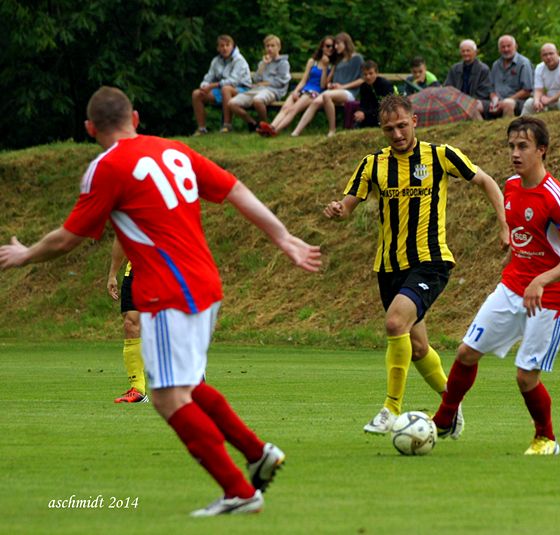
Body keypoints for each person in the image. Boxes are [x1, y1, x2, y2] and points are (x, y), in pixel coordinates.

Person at [0, 86, 322, 515]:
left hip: (169, 291)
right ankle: (256, 452)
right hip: (203, 283)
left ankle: (239, 492)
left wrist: (24, 255)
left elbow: (66, 239)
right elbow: (235, 189)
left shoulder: (106, 167)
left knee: (168, 397)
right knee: (188, 385)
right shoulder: (175, 151)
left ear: (90, 128)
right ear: (135, 118)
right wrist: (282, 237)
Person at [324, 94, 508, 435]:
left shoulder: (439, 155)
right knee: (418, 346)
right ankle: (450, 409)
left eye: (402, 126)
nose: (396, 134)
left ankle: (390, 409)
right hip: (389, 267)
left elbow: (486, 181)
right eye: (388, 129)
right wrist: (338, 209)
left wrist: (503, 223)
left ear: (415, 122)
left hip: (430, 261)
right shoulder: (372, 165)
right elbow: (348, 207)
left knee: (395, 323)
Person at [432, 116, 560, 456]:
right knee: (466, 352)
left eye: (523, 147)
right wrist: (511, 256)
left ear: (541, 150)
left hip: (551, 297)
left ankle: (546, 438)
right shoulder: (512, 187)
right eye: (511, 146)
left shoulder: (555, 198)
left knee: (525, 377)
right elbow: (522, 237)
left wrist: (541, 279)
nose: (515, 153)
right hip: (513, 287)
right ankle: (443, 420)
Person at [291, 32, 364, 137]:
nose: (335, 47)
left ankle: (332, 130)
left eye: (338, 44)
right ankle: (296, 132)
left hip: (349, 93)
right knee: (315, 102)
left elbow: (362, 79)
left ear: (346, 43)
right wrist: (330, 84)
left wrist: (343, 86)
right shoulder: (338, 61)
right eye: (335, 44)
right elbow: (329, 81)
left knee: (326, 95)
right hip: (335, 91)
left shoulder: (357, 58)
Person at [260, 36, 334, 137]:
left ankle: (275, 131)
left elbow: (322, 85)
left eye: (332, 47)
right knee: (285, 107)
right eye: (328, 46)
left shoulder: (332, 65)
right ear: (322, 47)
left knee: (293, 109)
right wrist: (296, 91)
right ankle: (271, 127)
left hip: (314, 92)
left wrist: (325, 67)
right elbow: (304, 80)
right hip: (304, 89)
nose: (330, 48)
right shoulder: (312, 61)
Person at [106, 237, 148, 403]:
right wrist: (112, 275)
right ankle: (138, 389)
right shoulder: (127, 212)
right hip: (135, 271)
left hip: (167, 269)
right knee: (130, 325)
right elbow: (120, 238)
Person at [227, 35, 291, 133]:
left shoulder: (283, 63)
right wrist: (263, 65)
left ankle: (264, 126)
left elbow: (280, 82)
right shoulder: (263, 62)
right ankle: (252, 123)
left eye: (272, 46)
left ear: (279, 47)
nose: (269, 48)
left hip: (273, 91)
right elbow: (256, 79)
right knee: (232, 103)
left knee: (258, 101)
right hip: (257, 90)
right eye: (267, 46)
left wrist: (264, 83)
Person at [191, 35, 251, 135]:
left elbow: (233, 81)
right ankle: (201, 129)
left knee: (226, 89)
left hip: (242, 89)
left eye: (227, 45)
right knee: (197, 94)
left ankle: (227, 125)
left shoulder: (239, 60)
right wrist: (204, 86)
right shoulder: (215, 61)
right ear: (218, 48)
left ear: (232, 46)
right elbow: (208, 77)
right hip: (221, 89)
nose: (225, 48)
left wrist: (212, 86)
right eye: (222, 46)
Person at [522, 43, 560, 114]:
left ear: (557, 53)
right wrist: (537, 101)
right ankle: (520, 124)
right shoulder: (539, 68)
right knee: (530, 102)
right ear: (541, 57)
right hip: (553, 99)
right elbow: (538, 90)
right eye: (545, 55)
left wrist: (549, 100)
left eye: (551, 54)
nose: (548, 57)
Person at [488, 35, 534, 118]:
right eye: (503, 47)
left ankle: (506, 128)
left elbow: (527, 90)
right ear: (499, 49)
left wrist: (506, 100)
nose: (506, 49)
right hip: (497, 101)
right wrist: (494, 100)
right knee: (476, 105)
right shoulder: (495, 65)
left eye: (509, 46)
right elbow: (491, 89)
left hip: (519, 102)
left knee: (507, 103)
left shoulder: (524, 63)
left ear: (515, 46)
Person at [444, 39, 493, 116]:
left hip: (479, 101)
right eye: (463, 51)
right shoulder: (455, 69)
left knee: (471, 107)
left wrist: (466, 101)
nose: (465, 53)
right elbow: (448, 87)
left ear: (475, 52)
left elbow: (484, 91)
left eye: (468, 51)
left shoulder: (483, 69)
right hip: (457, 101)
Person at [353, 60, 394, 128]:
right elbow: (363, 104)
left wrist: (365, 114)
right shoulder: (363, 86)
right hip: (371, 113)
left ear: (376, 73)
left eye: (370, 73)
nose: (368, 77)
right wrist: (360, 112)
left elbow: (386, 107)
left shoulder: (385, 84)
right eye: (365, 74)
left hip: (385, 113)